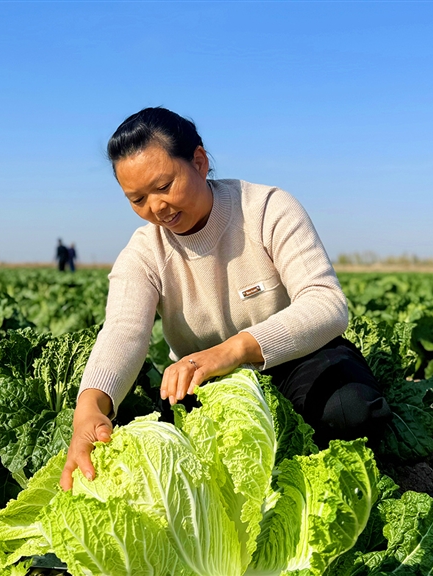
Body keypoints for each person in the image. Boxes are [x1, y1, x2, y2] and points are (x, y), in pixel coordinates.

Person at [61, 107, 391, 490]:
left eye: (164, 186)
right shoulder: (143, 253)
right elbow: (123, 333)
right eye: (137, 199)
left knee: (349, 412)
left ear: (199, 162)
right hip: (206, 384)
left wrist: (233, 350)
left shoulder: (267, 208)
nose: (156, 208)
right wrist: (90, 407)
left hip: (297, 361)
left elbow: (326, 304)